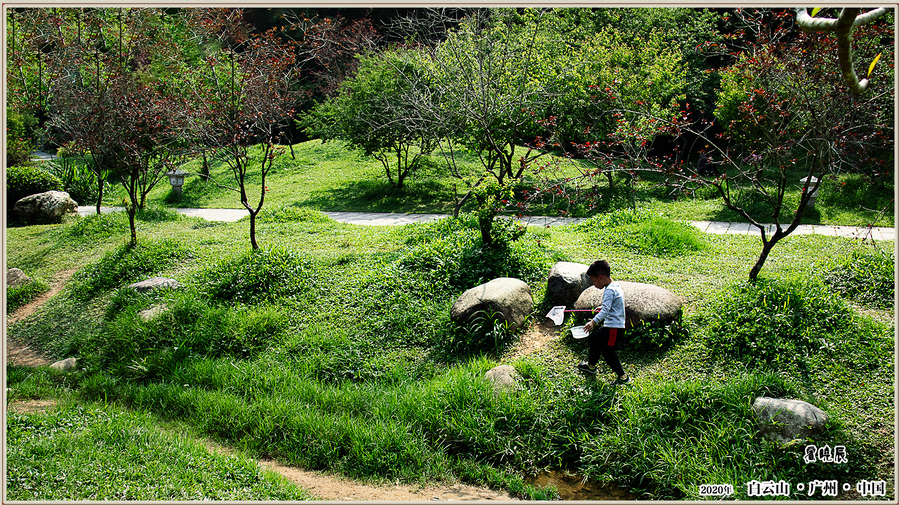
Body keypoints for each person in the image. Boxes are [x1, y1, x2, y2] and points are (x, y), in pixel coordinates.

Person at [578, 260, 631, 385]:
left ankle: (623, 378)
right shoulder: (615, 286)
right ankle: (591, 366)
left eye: (593, 281)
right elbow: (613, 305)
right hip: (610, 326)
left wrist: (593, 322)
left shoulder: (609, 291)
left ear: (600, 278)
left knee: (608, 353)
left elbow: (606, 311)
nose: (594, 284)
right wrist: (602, 307)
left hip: (614, 327)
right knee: (595, 339)